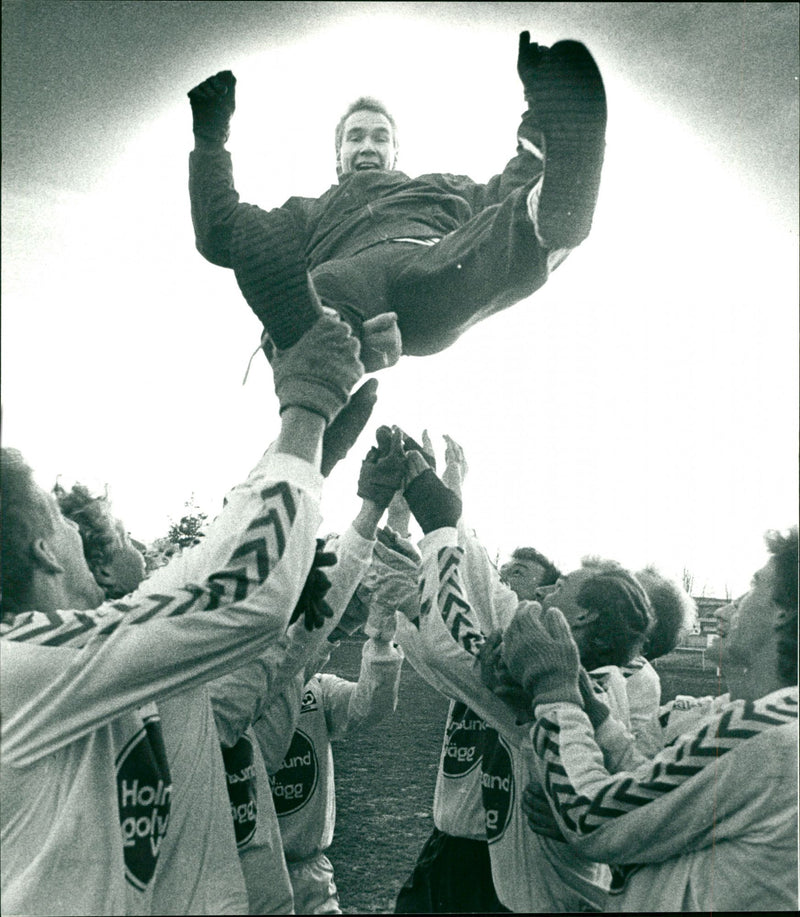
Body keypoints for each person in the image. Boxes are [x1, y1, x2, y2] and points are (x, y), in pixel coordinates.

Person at [1, 313, 364, 915]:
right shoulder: (22, 663)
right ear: (43, 550)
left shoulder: (85, 660)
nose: (78, 531)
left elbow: (205, 570)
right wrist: (308, 405)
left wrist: (308, 446)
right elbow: (238, 592)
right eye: (61, 521)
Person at [187, 32, 607, 366]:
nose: (367, 146)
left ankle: (552, 219)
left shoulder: (442, 187)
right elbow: (222, 230)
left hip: (432, 263)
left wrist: (538, 109)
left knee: (497, 229)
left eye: (379, 137)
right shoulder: (307, 211)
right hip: (346, 274)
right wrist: (209, 140)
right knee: (323, 283)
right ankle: (317, 348)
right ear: (338, 157)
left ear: (394, 153)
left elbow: (513, 182)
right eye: (355, 137)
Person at [391, 437, 654, 912]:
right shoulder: (568, 670)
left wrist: (438, 527)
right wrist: (448, 511)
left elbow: (454, 643)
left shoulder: (566, 691)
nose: (551, 587)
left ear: (585, 619)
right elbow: (490, 595)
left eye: (566, 586)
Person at [508, 526, 798, 912]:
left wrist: (554, 690)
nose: (732, 605)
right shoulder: (765, 720)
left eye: (754, 585)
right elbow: (657, 797)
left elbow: (590, 820)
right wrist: (596, 716)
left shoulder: (764, 729)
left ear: (785, 613)